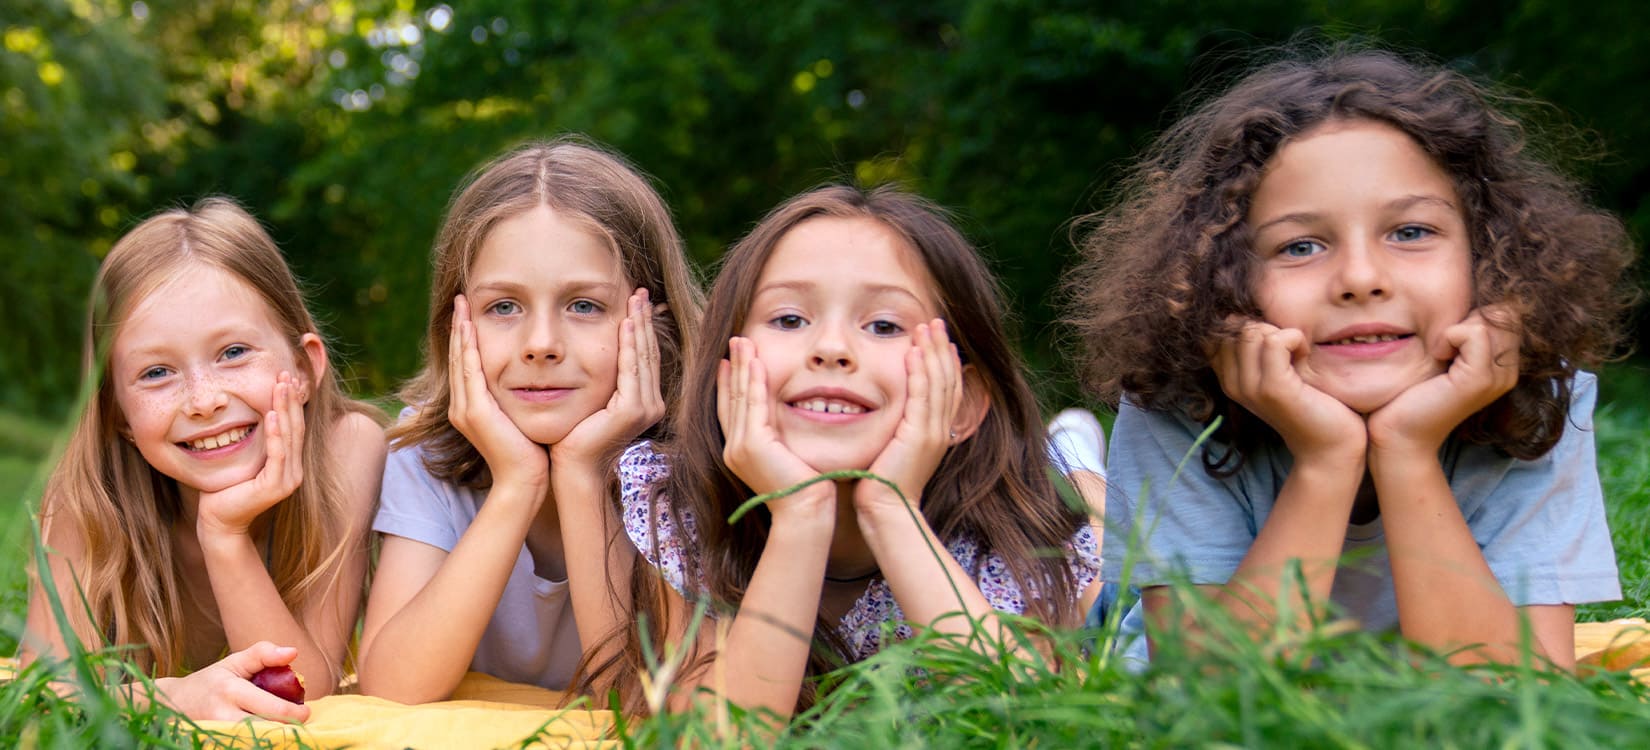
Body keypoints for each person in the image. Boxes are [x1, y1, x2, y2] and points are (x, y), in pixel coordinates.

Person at [1068, 48, 1637, 668]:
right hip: (1142, 635)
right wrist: (1327, 459)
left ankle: (1083, 471)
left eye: (1411, 232)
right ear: (1223, 282)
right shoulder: (1175, 400)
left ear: (1485, 255)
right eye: (1301, 245)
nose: (1361, 279)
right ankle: (1079, 477)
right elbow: (1214, 700)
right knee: (1087, 590)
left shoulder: (1538, 391)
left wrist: (1407, 448)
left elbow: (1516, 693)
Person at [604, 184, 1102, 718]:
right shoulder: (680, 508)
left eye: (884, 325)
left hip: (1032, 493)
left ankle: (1074, 453)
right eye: (790, 319)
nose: (832, 349)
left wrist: (892, 508)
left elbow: (1026, 725)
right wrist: (801, 514)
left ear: (961, 401)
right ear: (724, 364)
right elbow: (723, 737)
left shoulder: (1021, 534)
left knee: (1088, 500)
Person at [356, 138, 704, 703]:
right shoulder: (424, 456)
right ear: (456, 328)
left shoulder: (690, 465)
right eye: (504, 307)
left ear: (651, 325)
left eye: (583, 305)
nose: (541, 344)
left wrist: (582, 474)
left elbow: (640, 702)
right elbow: (395, 688)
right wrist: (518, 483)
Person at [21, 197, 387, 722]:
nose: (203, 399)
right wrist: (172, 698)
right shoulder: (88, 492)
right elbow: (40, 694)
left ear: (305, 367)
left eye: (234, 352)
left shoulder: (348, 448)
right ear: (117, 414)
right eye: (155, 373)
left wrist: (224, 534)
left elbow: (306, 687)